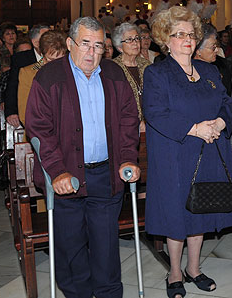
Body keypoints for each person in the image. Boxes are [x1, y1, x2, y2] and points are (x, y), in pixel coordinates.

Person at [25, 17, 141, 298]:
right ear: (69, 44)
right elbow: (39, 127)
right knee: (71, 246)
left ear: (106, 48)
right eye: (85, 44)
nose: (91, 52)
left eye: (98, 46)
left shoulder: (114, 74)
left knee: (106, 244)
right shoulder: (49, 76)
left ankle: (108, 293)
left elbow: (128, 120)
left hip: (106, 174)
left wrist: (127, 158)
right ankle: (77, 293)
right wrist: (56, 171)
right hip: (67, 177)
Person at [143, 6, 232, 298]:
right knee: (178, 212)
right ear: (166, 39)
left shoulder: (210, 70)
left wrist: (222, 121)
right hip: (176, 153)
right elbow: (155, 113)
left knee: (201, 208)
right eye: (179, 34)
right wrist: (194, 128)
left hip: (210, 150)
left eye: (190, 34)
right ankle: (175, 272)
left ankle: (194, 268)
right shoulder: (157, 73)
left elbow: (227, 103)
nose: (187, 39)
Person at [17, 31, 67, 126]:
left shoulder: (71, 72)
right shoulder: (28, 73)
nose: (56, 65)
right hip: (40, 132)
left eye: (61, 60)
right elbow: (25, 114)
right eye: (51, 60)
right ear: (42, 56)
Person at [112, 23, 151, 133]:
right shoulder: (113, 68)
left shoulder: (147, 65)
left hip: (151, 124)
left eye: (136, 39)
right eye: (129, 40)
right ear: (119, 47)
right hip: (125, 127)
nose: (135, 43)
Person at [194, 24, 232, 94]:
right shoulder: (190, 71)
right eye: (213, 47)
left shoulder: (218, 67)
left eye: (216, 46)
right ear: (198, 51)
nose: (217, 50)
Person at [0, 22, 17, 102]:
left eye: (13, 33)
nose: (11, 36)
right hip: (2, 87)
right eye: (7, 34)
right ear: (3, 37)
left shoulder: (20, 50)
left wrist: (7, 69)